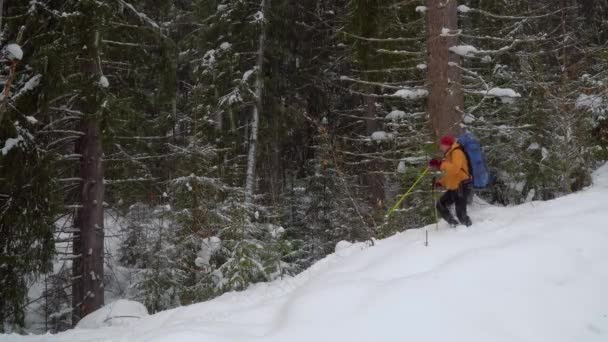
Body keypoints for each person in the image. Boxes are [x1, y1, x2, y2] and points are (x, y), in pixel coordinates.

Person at [429, 135, 472, 227]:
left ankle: (470, 230)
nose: (440, 147)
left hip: (462, 185)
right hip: (454, 186)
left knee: (461, 214)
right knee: (440, 204)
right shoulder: (449, 154)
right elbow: (451, 174)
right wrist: (441, 182)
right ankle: (454, 224)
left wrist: (441, 164)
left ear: (447, 145)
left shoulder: (457, 152)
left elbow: (455, 169)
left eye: (442, 145)